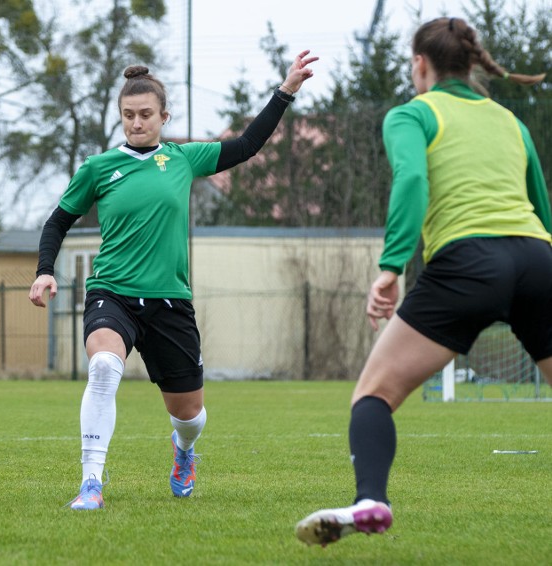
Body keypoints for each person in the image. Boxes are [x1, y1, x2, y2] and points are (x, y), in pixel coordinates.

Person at [295, 17, 548, 546]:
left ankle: (371, 501)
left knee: (374, 393)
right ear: (471, 62)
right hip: (535, 258)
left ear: (420, 64)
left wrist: (390, 267)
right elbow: (540, 206)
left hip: (468, 264)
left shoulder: (413, 114)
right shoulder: (510, 122)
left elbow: (411, 181)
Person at [29, 52, 318, 509]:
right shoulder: (98, 168)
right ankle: (91, 483)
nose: (137, 123)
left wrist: (285, 91)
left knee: (190, 416)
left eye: (146, 115)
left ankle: (183, 451)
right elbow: (57, 222)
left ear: (164, 116)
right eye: (129, 116)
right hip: (112, 292)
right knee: (103, 368)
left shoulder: (184, 159)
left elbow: (247, 146)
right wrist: (45, 271)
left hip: (169, 302)